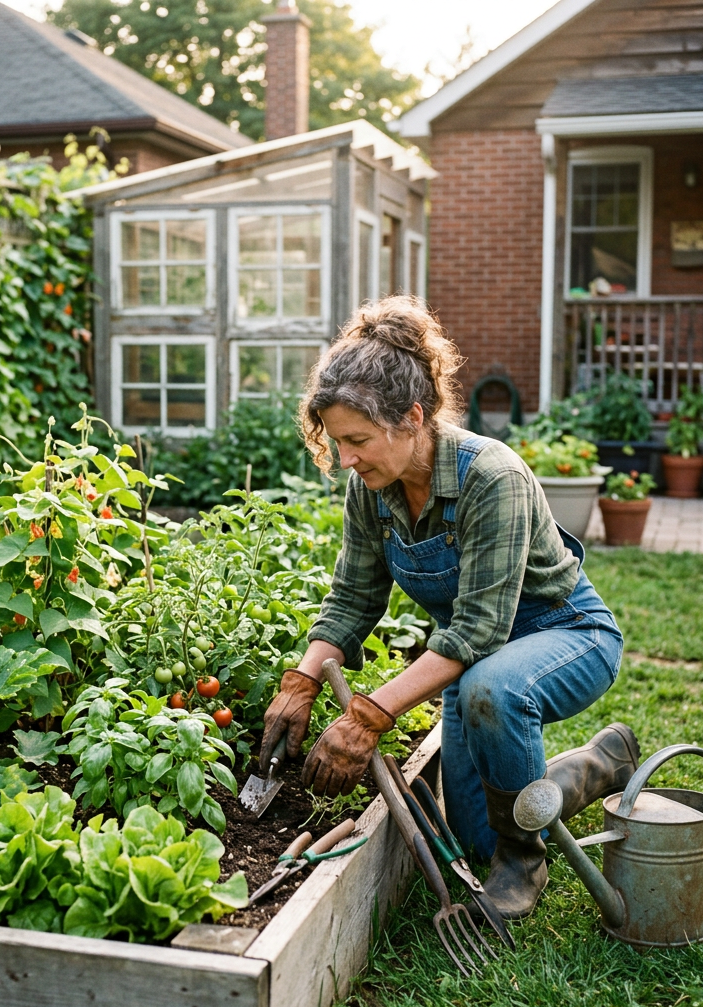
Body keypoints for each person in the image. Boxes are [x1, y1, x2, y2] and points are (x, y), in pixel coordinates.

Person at [258, 295, 639, 919]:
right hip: (473, 663)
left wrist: (368, 716)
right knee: (472, 839)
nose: (347, 460)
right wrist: (302, 678)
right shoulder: (372, 492)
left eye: (358, 440)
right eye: (337, 442)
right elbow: (354, 596)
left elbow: (480, 631)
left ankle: (525, 863)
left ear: (411, 417)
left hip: (568, 635)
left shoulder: (491, 477)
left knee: (494, 688)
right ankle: (596, 767)